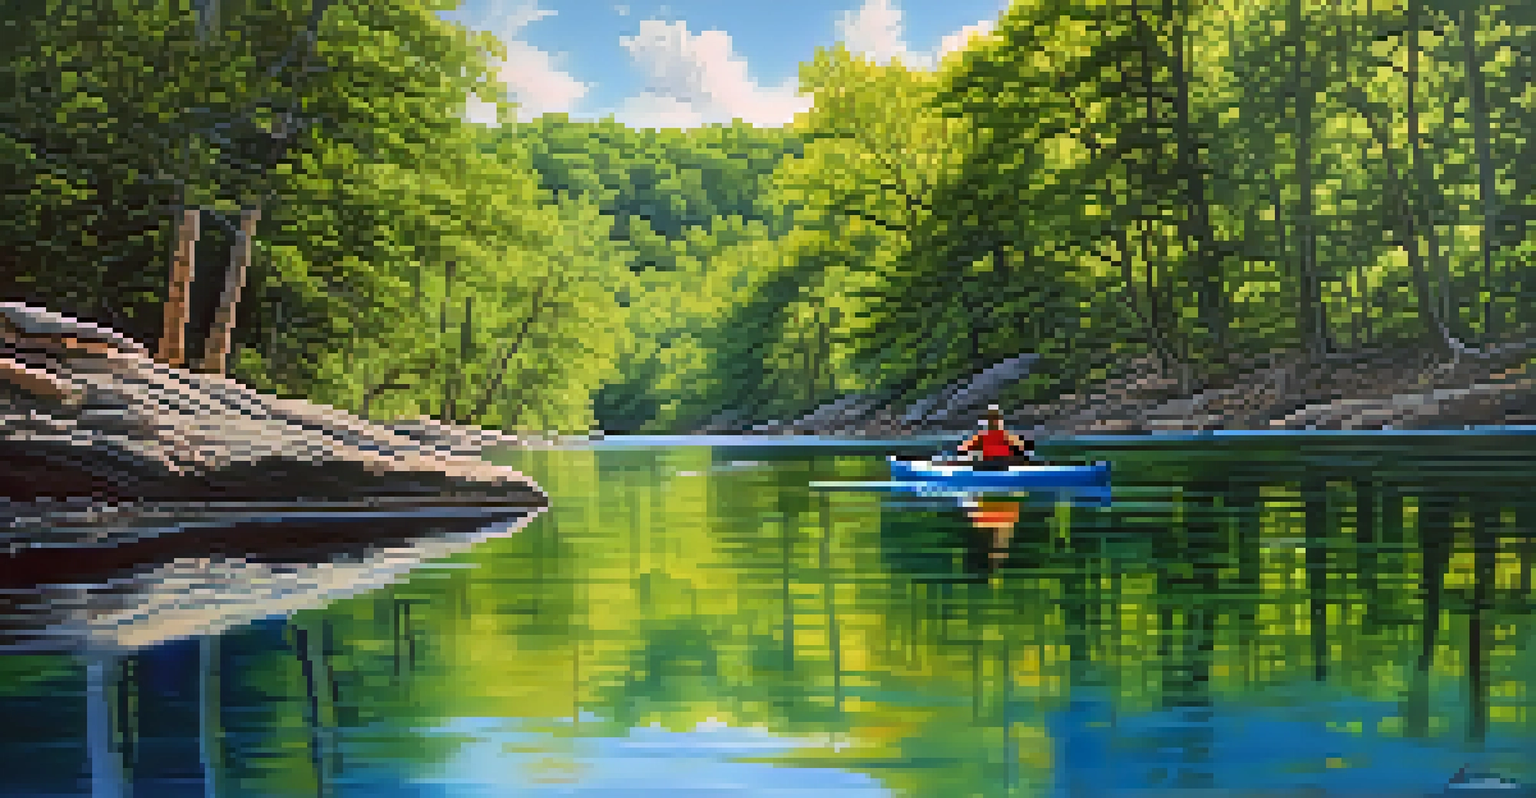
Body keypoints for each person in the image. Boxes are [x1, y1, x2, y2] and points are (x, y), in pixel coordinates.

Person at [957, 405, 1033, 462]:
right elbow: (963, 448)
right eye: (992, 418)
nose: (994, 421)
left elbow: (1025, 447)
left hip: (1003, 464)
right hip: (988, 464)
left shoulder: (1006, 437)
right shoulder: (982, 437)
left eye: (996, 418)